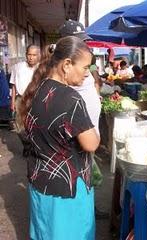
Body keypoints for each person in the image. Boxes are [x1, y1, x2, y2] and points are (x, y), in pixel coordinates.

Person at [19, 36, 100, 240]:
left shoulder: (36, 90)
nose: (86, 74)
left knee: (45, 233)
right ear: (66, 64)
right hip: (67, 189)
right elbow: (91, 143)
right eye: (84, 67)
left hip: (40, 183)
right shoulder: (71, 98)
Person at [59, 19, 107, 219]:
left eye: (84, 41)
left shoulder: (84, 65)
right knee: (77, 179)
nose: (83, 45)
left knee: (87, 177)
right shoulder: (65, 71)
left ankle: (88, 209)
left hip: (89, 129)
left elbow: (95, 82)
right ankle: (79, 214)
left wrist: (96, 95)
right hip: (77, 136)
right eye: (79, 42)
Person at [9, 44, 40, 156]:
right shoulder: (17, 67)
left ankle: (35, 147)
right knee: (19, 127)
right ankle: (27, 145)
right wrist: (12, 101)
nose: (31, 57)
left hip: (36, 99)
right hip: (20, 99)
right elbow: (13, 86)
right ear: (26, 55)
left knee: (36, 126)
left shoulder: (42, 69)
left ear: (38, 55)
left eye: (34, 55)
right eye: (29, 54)